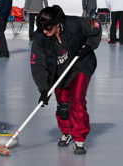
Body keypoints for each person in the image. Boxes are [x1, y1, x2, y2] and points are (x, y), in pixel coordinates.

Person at [30, 5, 101, 154]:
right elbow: (38, 65)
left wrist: (88, 47)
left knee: (77, 100)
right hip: (59, 72)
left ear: (57, 24)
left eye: (48, 28)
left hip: (80, 66)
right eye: (42, 28)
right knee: (63, 106)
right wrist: (43, 89)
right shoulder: (40, 37)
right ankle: (67, 131)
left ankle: (79, 138)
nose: (44, 31)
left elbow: (96, 26)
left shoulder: (75, 23)